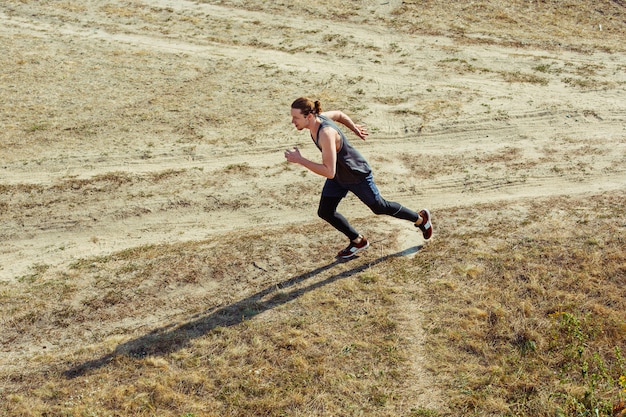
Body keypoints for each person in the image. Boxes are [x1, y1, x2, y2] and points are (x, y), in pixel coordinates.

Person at [284, 97, 432, 259]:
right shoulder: (317, 120)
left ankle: (420, 219)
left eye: (296, 118)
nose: (292, 121)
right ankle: (358, 241)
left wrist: (300, 160)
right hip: (339, 176)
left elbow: (328, 172)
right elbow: (339, 115)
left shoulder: (326, 133)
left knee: (379, 207)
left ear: (309, 116)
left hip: (356, 174)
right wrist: (354, 128)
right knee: (325, 211)